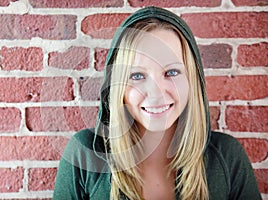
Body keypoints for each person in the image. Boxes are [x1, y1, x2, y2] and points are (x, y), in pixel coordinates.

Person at [53, 6, 261, 200]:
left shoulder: (227, 157)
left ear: (191, 79)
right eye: (136, 76)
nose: (156, 93)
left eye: (171, 72)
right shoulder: (84, 155)